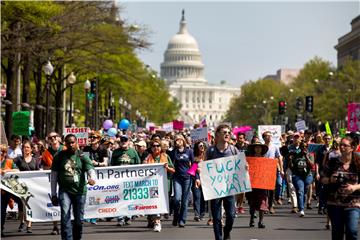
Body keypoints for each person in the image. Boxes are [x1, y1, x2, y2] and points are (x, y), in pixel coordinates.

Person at [50, 134, 96, 240]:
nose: (71, 145)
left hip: (80, 192)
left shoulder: (82, 156)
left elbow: (91, 169)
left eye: (73, 142)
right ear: (65, 144)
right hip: (64, 191)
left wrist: (92, 178)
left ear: (77, 143)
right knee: (65, 216)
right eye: (68, 143)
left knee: (79, 220)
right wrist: (53, 194)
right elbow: (53, 176)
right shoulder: (59, 156)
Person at [321, 136, 360, 240]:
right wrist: (330, 180)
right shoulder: (333, 162)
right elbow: (322, 179)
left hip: (353, 203)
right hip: (335, 204)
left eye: (345, 145)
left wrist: (355, 187)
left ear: (352, 147)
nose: (342, 147)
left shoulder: (358, 162)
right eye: (340, 145)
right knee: (337, 234)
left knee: (352, 231)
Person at [205, 124, 240, 240]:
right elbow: (201, 164)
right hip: (215, 189)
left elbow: (240, 165)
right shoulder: (210, 150)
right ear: (217, 134)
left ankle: (227, 231)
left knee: (231, 215)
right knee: (216, 218)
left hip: (230, 188)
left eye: (228, 133)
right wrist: (198, 173)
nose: (227, 134)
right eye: (224, 132)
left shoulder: (233, 149)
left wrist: (245, 168)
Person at [143, 139, 175, 232]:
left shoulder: (165, 156)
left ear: (161, 147)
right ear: (151, 148)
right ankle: (156, 221)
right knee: (153, 202)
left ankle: (156, 220)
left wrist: (167, 167)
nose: (156, 148)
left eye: (158, 146)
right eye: (153, 146)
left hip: (164, 184)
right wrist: (144, 164)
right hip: (152, 185)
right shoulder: (148, 158)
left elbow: (173, 170)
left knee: (159, 203)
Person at [111, 134, 141, 226]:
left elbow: (138, 165)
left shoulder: (133, 152)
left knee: (129, 198)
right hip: (119, 179)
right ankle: (120, 218)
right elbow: (112, 166)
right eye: (122, 140)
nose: (123, 142)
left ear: (128, 142)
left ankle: (128, 216)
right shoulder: (115, 152)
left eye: (125, 140)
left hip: (130, 180)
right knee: (120, 199)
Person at [13, 140, 40, 233]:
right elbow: (11, 166)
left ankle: (29, 225)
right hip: (20, 186)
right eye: (24, 147)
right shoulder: (18, 159)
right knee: (21, 205)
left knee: (30, 205)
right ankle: (22, 222)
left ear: (31, 149)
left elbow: (38, 172)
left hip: (31, 186)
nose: (26, 149)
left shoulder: (35, 160)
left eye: (28, 147)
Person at [169, 134, 194, 228]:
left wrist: (192, 173)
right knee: (176, 199)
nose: (177, 142)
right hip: (177, 178)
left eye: (179, 140)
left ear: (183, 141)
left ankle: (182, 220)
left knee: (184, 201)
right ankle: (176, 217)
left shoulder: (189, 151)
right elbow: (169, 162)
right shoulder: (173, 152)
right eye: (176, 140)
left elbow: (194, 163)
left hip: (187, 178)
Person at [41, 132, 64, 235]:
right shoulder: (46, 153)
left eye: (55, 137)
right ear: (48, 140)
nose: (53, 139)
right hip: (53, 180)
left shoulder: (65, 149)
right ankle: (55, 226)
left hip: (65, 180)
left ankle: (66, 225)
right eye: (50, 138)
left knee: (66, 203)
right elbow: (44, 167)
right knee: (53, 202)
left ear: (58, 138)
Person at [246, 141, 269, 228]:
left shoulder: (265, 160)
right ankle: (252, 219)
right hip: (252, 185)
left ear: (262, 149)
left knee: (262, 202)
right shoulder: (249, 160)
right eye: (256, 147)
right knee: (252, 202)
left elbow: (268, 172)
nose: (258, 149)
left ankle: (261, 221)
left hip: (262, 184)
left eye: (259, 147)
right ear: (254, 149)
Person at [289, 140, 314, 217]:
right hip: (298, 176)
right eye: (302, 146)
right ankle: (301, 209)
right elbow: (292, 167)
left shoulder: (310, 155)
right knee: (300, 191)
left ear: (307, 147)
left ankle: (301, 204)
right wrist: (290, 160)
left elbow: (312, 165)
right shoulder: (296, 155)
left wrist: (306, 157)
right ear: (300, 147)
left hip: (307, 176)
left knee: (304, 192)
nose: (304, 148)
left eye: (305, 146)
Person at [1, 144, 19, 237]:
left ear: (4, 153)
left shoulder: (9, 161)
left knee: (2, 210)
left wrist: (7, 171)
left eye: (1, 151)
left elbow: (17, 171)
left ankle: (1, 228)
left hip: (4, 191)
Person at [262, 131, 283, 213]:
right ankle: (265, 206)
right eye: (267, 136)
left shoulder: (275, 147)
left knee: (272, 188)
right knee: (264, 189)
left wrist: (281, 169)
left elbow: (279, 157)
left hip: (272, 169)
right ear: (264, 138)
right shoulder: (261, 147)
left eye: (270, 136)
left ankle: (271, 206)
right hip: (263, 170)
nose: (269, 137)